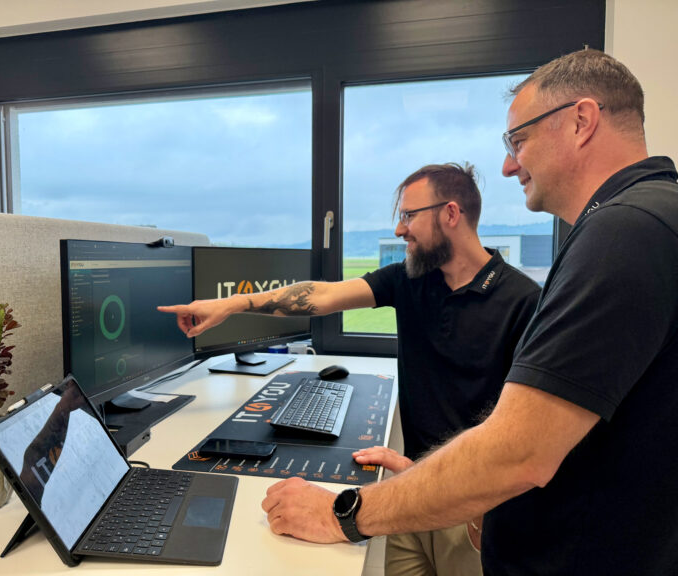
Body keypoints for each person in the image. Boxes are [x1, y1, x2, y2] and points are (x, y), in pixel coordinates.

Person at [259, 49, 678, 576]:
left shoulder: (625, 232)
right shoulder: (648, 218)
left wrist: (343, 513)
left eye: (518, 140)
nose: (508, 165)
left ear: (581, 120)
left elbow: (519, 452)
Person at [159, 162, 540, 576]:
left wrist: (465, 503)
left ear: (451, 214)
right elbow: (322, 296)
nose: (400, 229)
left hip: (472, 510)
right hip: (408, 494)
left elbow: (519, 437)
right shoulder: (410, 279)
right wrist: (231, 305)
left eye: (409, 215)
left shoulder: (523, 303)